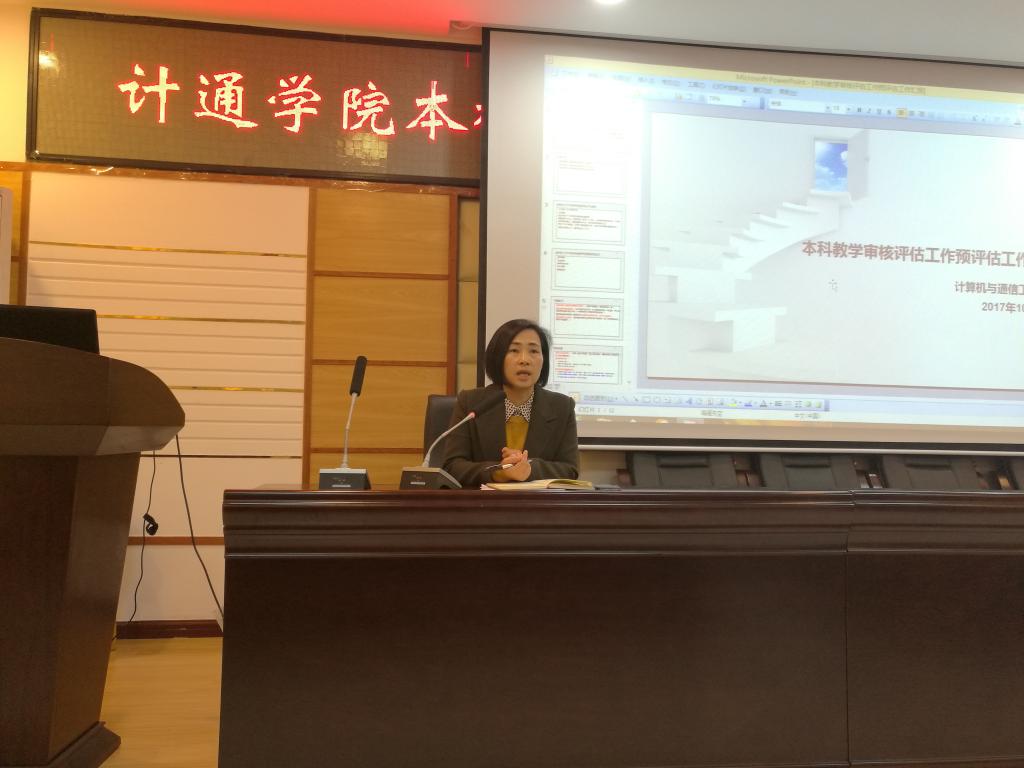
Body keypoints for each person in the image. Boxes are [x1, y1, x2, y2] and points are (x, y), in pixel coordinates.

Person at [442, 318, 579, 487]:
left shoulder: (562, 407)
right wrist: (500, 472)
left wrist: (528, 468)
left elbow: (570, 469)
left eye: (534, 351)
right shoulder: (470, 403)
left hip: (539, 503)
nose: (524, 360)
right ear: (498, 357)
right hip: (483, 502)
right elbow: (452, 467)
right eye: (514, 350)